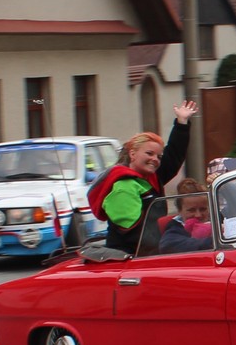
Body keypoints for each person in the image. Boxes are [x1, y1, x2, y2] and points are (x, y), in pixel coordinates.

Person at [88, 100, 197, 253]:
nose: (155, 159)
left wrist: (182, 123)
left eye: (159, 156)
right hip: (130, 256)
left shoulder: (149, 177)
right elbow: (133, 232)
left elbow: (174, 156)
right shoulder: (123, 186)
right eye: (149, 153)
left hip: (149, 252)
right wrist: (170, 239)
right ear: (132, 154)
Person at [156, 179, 213, 254]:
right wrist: (213, 242)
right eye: (191, 210)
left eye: (203, 209)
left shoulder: (216, 221)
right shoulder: (175, 228)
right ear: (180, 211)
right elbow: (167, 246)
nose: (198, 215)